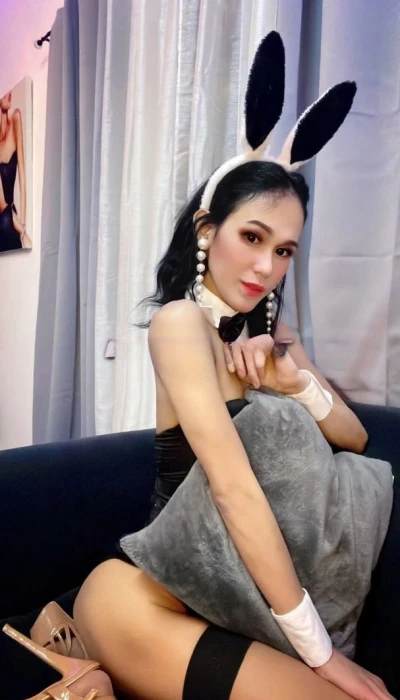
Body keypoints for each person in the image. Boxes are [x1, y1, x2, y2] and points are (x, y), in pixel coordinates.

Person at [2, 32, 398, 700]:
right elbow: (233, 490)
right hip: (150, 598)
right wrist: (321, 652)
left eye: (285, 250)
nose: (266, 267)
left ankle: (73, 659)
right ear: (208, 230)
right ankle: (79, 647)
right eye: (253, 236)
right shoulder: (180, 324)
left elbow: (356, 440)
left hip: (239, 608)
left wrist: (294, 380)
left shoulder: (276, 339)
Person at [0, 89, 32, 252]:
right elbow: (1, 202)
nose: (10, 94)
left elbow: (23, 180)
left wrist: (23, 224)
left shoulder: (16, 118)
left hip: (10, 218)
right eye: (4, 92)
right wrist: (23, 231)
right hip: (6, 217)